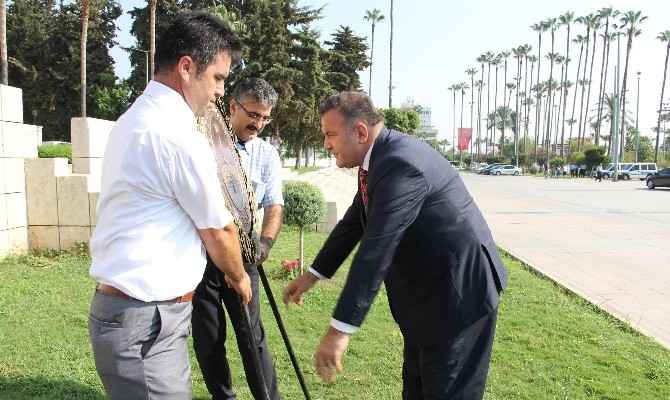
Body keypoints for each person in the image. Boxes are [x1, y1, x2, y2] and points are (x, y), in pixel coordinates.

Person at [283, 92, 508, 399]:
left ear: (360, 132)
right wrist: (312, 275)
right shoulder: (381, 159)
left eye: (330, 134)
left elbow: (376, 250)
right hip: (428, 302)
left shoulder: (401, 164)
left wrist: (339, 331)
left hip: (460, 297)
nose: (326, 143)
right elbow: (354, 221)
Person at [88, 12, 251, 400]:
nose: (219, 92)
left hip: (140, 315)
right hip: (146, 319)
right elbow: (219, 229)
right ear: (186, 67)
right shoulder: (174, 133)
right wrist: (239, 276)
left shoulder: (134, 118)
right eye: (217, 78)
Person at [192, 78, 284, 400]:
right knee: (209, 337)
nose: (258, 123)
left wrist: (266, 244)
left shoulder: (266, 155)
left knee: (251, 335)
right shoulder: (203, 143)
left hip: (244, 253)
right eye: (253, 114)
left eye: (264, 117)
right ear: (232, 106)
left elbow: (274, 204)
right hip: (203, 254)